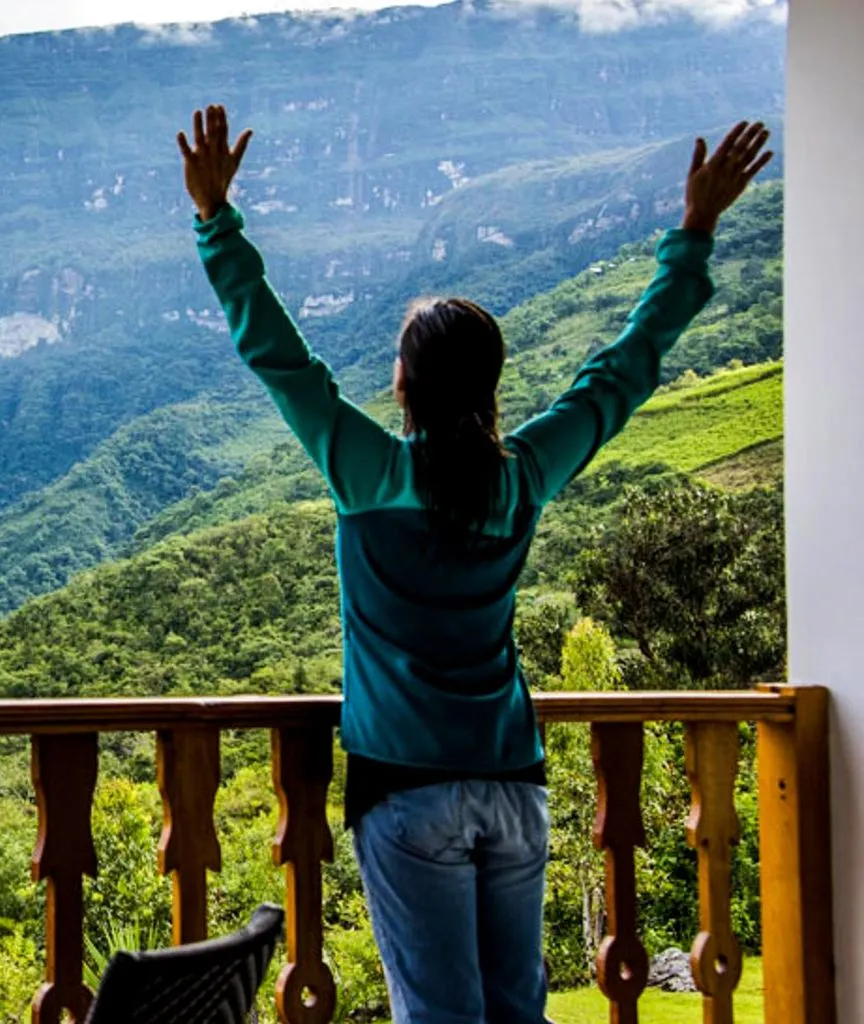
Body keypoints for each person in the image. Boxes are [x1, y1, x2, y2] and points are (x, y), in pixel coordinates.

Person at [177, 104, 772, 1023]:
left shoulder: (368, 473)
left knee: (439, 1014)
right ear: (491, 387)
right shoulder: (522, 480)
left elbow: (281, 360)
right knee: (517, 1011)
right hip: (512, 786)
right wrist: (692, 233)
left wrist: (218, 223)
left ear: (404, 388)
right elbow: (621, 373)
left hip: (407, 793)